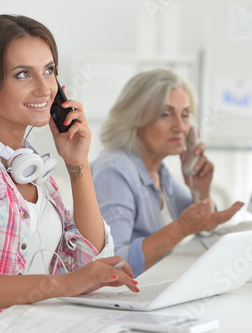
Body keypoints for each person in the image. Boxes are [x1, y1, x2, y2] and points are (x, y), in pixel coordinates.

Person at [0, 15, 137, 332]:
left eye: (49, 71)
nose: (44, 89)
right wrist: (60, 284)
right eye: (23, 74)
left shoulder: (36, 172)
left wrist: (77, 163)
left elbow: (86, 263)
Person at [91, 69, 244, 276]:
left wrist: (200, 190)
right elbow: (111, 265)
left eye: (185, 115)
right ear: (134, 118)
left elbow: (204, 223)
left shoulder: (157, 170)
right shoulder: (115, 172)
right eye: (165, 114)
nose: (180, 127)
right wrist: (181, 228)